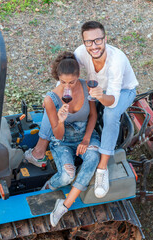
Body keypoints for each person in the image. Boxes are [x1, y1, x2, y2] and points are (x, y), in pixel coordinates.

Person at [25, 21, 138, 199]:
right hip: (96, 91)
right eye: (89, 42)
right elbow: (65, 75)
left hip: (119, 92)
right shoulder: (80, 53)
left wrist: (99, 97)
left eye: (98, 40)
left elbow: (113, 101)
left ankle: (102, 169)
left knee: (110, 113)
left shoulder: (117, 62)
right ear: (83, 42)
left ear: (105, 39)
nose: (93, 46)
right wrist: (57, 100)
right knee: (53, 104)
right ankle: (40, 149)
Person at [40, 51, 101, 227]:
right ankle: (49, 186)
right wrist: (60, 120)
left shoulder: (86, 87)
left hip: (85, 136)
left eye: (72, 82)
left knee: (92, 158)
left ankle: (64, 206)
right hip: (63, 141)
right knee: (67, 176)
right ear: (58, 78)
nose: (68, 86)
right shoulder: (51, 99)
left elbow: (93, 116)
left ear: (78, 77)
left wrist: (86, 139)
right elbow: (57, 135)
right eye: (64, 82)